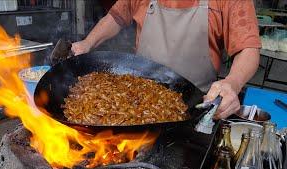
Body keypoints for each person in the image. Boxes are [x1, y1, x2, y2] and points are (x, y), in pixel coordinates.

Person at [70, 0, 261, 119]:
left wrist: (232, 83)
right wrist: (87, 43)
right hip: (135, 96)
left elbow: (248, 48)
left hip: (196, 104)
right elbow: (116, 17)